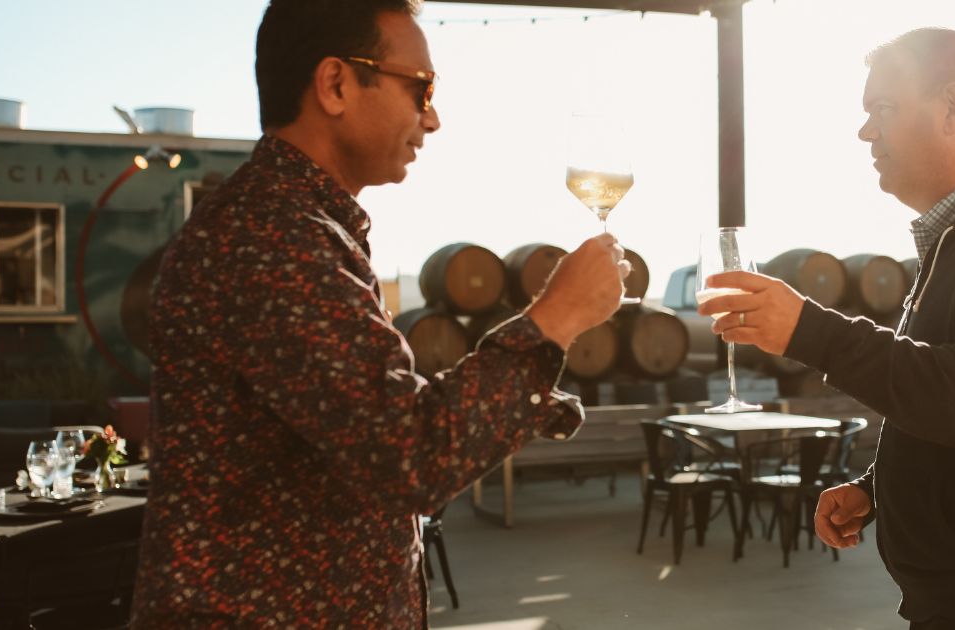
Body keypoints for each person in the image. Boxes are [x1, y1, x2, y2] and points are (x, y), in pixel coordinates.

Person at [131, 1, 629, 626]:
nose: (434, 117)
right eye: (421, 88)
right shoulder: (268, 236)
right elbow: (409, 455)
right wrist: (555, 317)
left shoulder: (296, 225)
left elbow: (372, 427)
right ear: (336, 84)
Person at [699, 28, 955, 629]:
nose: (866, 131)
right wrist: (882, 486)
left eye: (883, 110)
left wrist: (810, 331)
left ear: (952, 107)